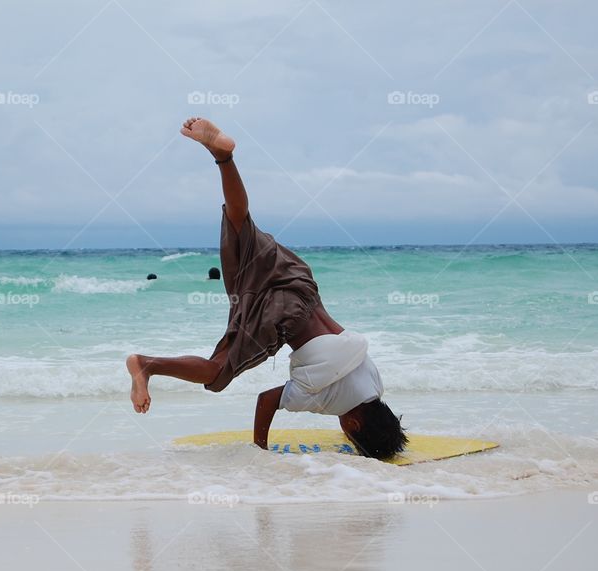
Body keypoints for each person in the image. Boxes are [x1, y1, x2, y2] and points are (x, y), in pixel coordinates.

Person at [126, 117, 407, 459]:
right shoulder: (325, 400)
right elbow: (266, 401)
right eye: (351, 437)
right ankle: (146, 365)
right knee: (216, 374)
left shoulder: (375, 384)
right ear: (356, 427)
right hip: (281, 313)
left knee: (241, 226)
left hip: (301, 283)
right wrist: (262, 452)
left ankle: (223, 157)